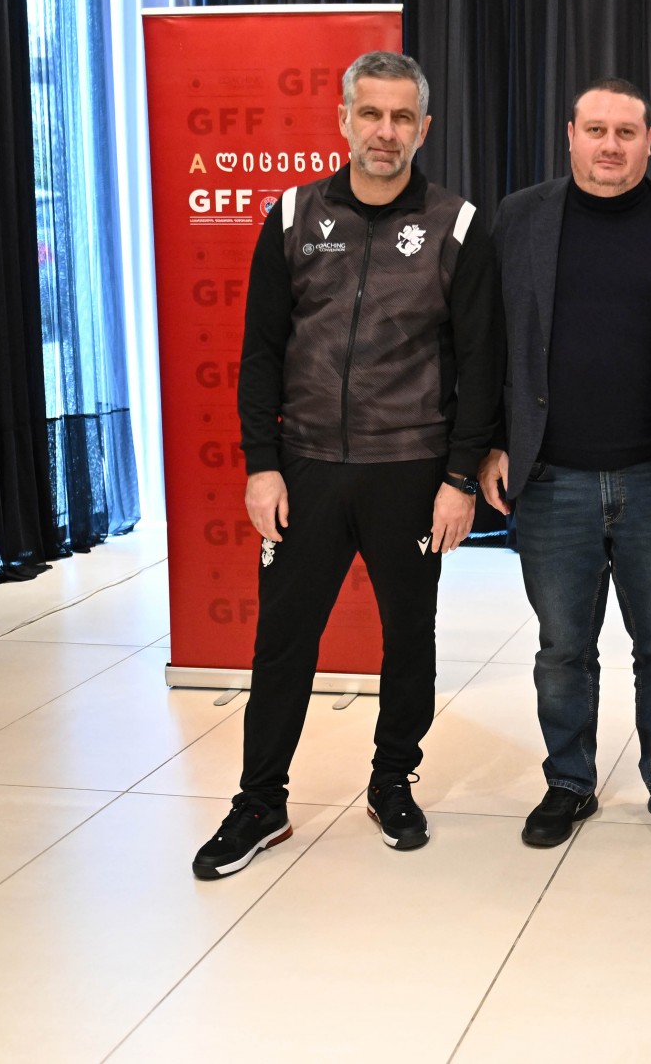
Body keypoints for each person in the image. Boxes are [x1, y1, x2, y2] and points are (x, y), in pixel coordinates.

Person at [193, 51, 500, 879]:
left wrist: (459, 478)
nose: (384, 132)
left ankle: (392, 779)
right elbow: (261, 351)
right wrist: (263, 464)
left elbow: (482, 364)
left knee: (409, 638)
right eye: (370, 114)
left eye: (401, 117)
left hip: (411, 470)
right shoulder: (293, 215)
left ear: (423, 128)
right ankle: (261, 801)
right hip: (306, 471)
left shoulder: (457, 225)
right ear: (343, 120)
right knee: (283, 641)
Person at [479, 79, 651, 850]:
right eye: (596, 129)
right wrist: (490, 442)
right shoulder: (518, 219)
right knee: (563, 649)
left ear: (650, 140)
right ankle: (569, 781)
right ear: (570, 134)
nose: (610, 145)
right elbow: (489, 342)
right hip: (551, 477)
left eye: (627, 132)